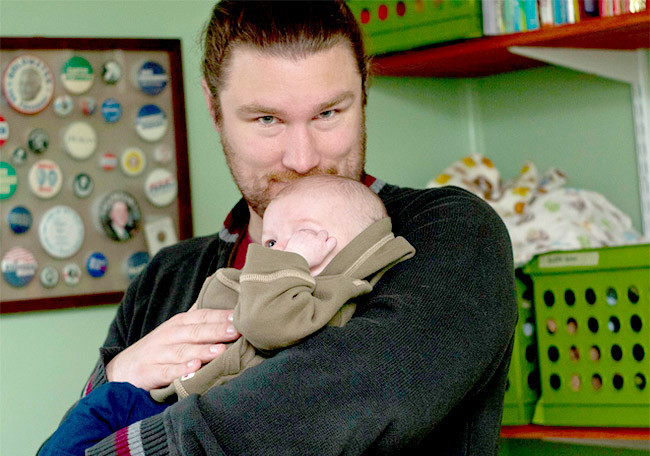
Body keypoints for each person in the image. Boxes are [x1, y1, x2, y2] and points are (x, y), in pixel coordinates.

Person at [42, 1, 518, 455]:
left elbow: (335, 404)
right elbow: (75, 433)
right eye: (268, 119)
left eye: (328, 113)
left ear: (364, 90)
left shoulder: (448, 233)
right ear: (213, 107)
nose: (303, 158)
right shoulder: (165, 280)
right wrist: (116, 376)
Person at [38, 175, 416, 456]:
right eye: (271, 242)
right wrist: (119, 370)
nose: (279, 252)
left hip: (207, 423)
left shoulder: (338, 295)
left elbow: (266, 325)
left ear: (358, 248)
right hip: (173, 401)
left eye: (304, 234)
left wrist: (288, 262)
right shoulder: (168, 273)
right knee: (105, 403)